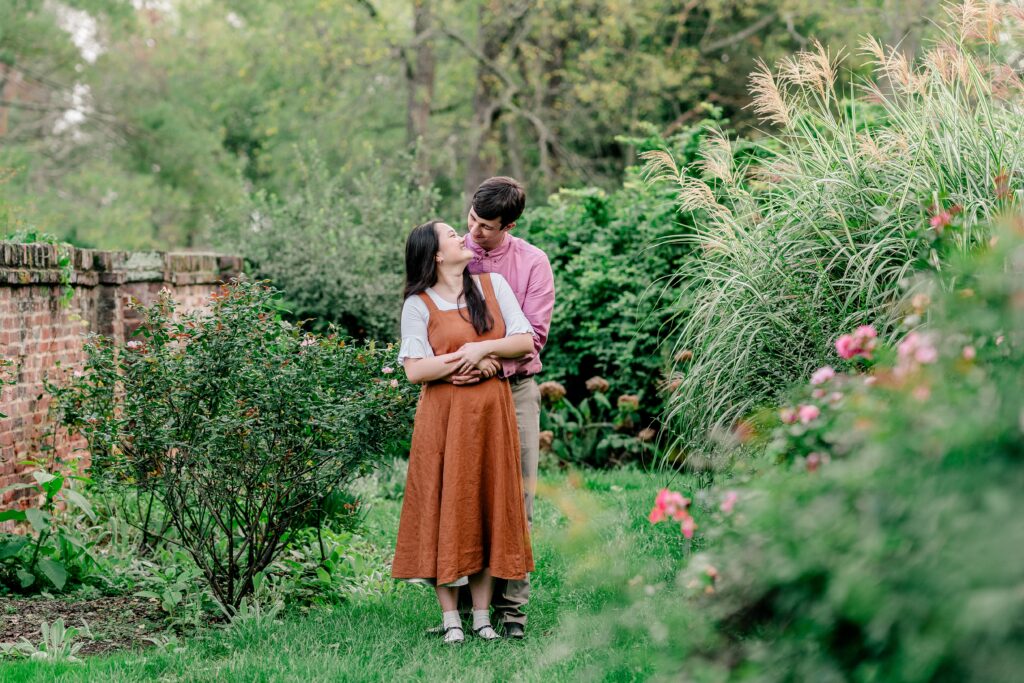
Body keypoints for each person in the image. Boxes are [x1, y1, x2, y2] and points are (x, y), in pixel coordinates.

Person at [391, 220, 536, 645]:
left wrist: (483, 350)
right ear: (436, 255)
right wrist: (472, 360)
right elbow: (417, 369)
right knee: (445, 504)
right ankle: (450, 617)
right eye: (452, 234)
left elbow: (523, 340)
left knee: (489, 504)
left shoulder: (492, 285)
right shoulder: (418, 304)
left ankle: (480, 616)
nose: (462, 237)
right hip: (444, 420)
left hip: (491, 417)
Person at [456, 176, 555, 639]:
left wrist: (484, 359)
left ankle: (512, 611)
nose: (473, 234)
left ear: (509, 224)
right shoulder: (454, 255)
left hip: (516, 391)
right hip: (460, 391)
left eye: (485, 228)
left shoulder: (533, 262)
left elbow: (533, 337)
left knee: (517, 498)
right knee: (464, 496)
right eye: (472, 220)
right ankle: (459, 609)